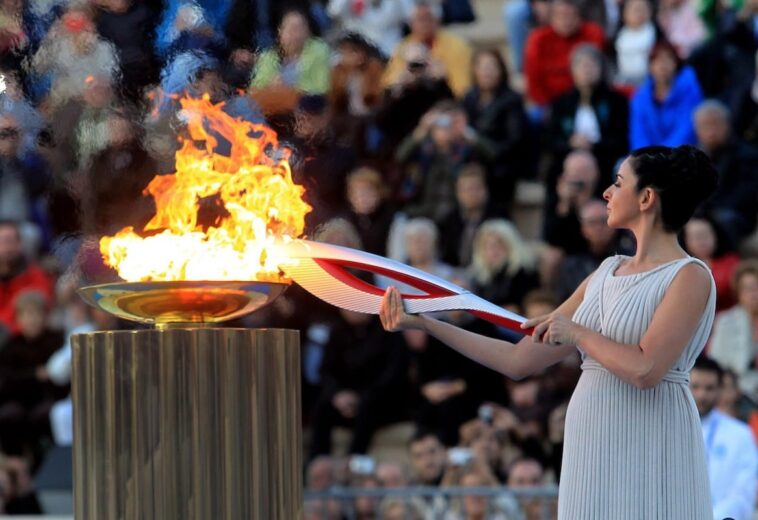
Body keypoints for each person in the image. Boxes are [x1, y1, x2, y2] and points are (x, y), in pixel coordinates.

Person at [380, 144, 720, 518]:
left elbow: (645, 369)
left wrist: (577, 334)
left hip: (653, 435)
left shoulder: (689, 275)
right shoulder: (606, 271)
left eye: (618, 183)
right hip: (592, 436)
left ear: (646, 198)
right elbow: (518, 358)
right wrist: (426, 321)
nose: (606, 192)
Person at [690, 356, 758, 520]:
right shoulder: (670, 429)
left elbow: (744, 492)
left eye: (709, 388)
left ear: (720, 389)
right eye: (695, 387)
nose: (702, 395)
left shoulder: (740, 434)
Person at [382, 1, 473, 97]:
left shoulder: (457, 46)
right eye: (419, 19)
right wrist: (403, 78)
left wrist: (442, 76)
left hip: (444, 103)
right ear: (411, 23)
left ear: (438, 20)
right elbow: (388, 85)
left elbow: (462, 90)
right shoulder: (403, 47)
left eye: (428, 18)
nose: (424, 24)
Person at [630, 40, 704, 149]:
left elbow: (686, 130)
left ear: (676, 64)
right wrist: (646, 158)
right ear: (650, 66)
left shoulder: (690, 91)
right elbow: (638, 136)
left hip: (683, 156)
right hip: (649, 160)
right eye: (657, 60)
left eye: (668, 59)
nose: (662, 65)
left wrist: (663, 157)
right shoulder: (640, 98)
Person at [708, 260, 758, 398]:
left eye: (756, 287)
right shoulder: (726, 321)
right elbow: (717, 361)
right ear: (739, 293)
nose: (753, 294)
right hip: (739, 391)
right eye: (747, 289)